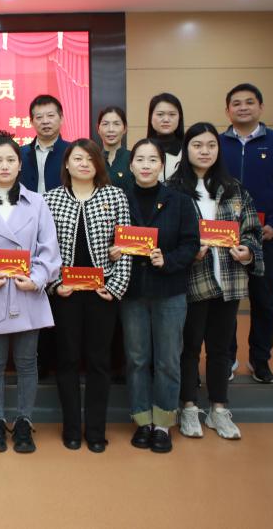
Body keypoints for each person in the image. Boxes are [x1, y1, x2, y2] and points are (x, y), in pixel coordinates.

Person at [0, 132, 61, 454]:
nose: (4, 166)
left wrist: (37, 278)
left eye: (11, 160)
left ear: (20, 165)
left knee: (27, 362)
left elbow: (50, 251)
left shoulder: (37, 203)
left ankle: (23, 421)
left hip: (26, 293)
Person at [171, 123, 264, 441]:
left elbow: (251, 230)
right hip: (191, 281)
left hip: (229, 280)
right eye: (197, 145)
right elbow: (167, 235)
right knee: (188, 348)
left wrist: (247, 251)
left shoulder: (234, 189)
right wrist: (188, 252)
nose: (205, 151)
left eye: (211, 145)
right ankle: (188, 407)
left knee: (221, 349)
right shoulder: (174, 189)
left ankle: (219, 409)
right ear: (186, 149)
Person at [45, 139, 132, 453]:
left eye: (90, 159)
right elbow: (43, 249)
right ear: (67, 164)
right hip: (66, 293)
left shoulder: (115, 196)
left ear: (99, 164)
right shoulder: (51, 199)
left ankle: (96, 430)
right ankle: (71, 428)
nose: (83, 164)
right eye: (77, 158)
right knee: (67, 359)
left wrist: (116, 286)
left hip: (101, 292)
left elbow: (126, 246)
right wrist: (55, 284)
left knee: (99, 361)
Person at [113, 139, 199, 454]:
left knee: (168, 360)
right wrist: (113, 251)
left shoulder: (180, 201)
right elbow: (108, 237)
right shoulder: (119, 198)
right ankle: (142, 421)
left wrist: (169, 260)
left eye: (153, 159)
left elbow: (191, 244)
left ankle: (163, 423)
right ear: (131, 165)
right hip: (133, 290)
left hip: (169, 291)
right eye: (140, 159)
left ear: (162, 165)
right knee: (137, 359)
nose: (146, 165)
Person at [220, 83, 273, 384]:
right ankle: (226, 358)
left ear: (260, 107)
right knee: (225, 300)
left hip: (267, 236)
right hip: (224, 237)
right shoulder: (217, 145)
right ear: (227, 110)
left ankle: (260, 359)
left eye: (249, 102)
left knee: (264, 300)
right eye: (236, 103)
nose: (243, 107)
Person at [20, 94, 69, 194]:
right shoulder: (20, 153)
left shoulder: (72, 151)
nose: (45, 121)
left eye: (51, 116)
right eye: (39, 117)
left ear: (61, 119)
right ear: (31, 122)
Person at [147, 93, 185, 179]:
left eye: (172, 114)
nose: (166, 120)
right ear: (150, 117)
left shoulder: (188, 150)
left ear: (180, 117)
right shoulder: (141, 149)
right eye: (160, 114)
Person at [97, 106, 134, 192]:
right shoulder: (92, 160)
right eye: (105, 124)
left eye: (116, 124)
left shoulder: (133, 158)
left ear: (125, 128)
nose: (111, 129)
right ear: (98, 129)